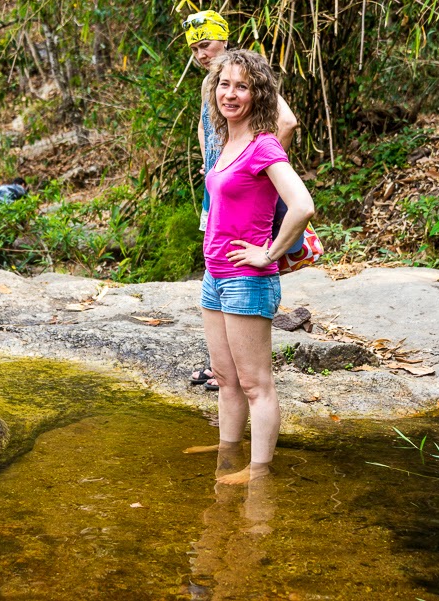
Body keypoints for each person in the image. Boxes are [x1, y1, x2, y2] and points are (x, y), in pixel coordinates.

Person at [189, 49, 314, 485]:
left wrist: (269, 252)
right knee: (225, 378)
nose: (230, 93)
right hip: (214, 276)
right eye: (225, 84)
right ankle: (228, 451)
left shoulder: (264, 145)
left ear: (257, 93)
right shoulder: (225, 142)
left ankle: (258, 473)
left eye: (242, 86)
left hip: (248, 278)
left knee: (255, 383)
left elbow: (302, 205)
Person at [184, 10, 300, 391]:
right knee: (217, 263)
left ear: (223, 40)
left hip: (244, 183)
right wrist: (212, 165)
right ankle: (224, 369)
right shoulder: (213, 84)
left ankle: (243, 366)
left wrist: (258, 166)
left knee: (244, 265)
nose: (201, 54)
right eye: (194, 49)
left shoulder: (245, 76)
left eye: (206, 45)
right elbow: (206, 127)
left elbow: (287, 122)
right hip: (219, 181)